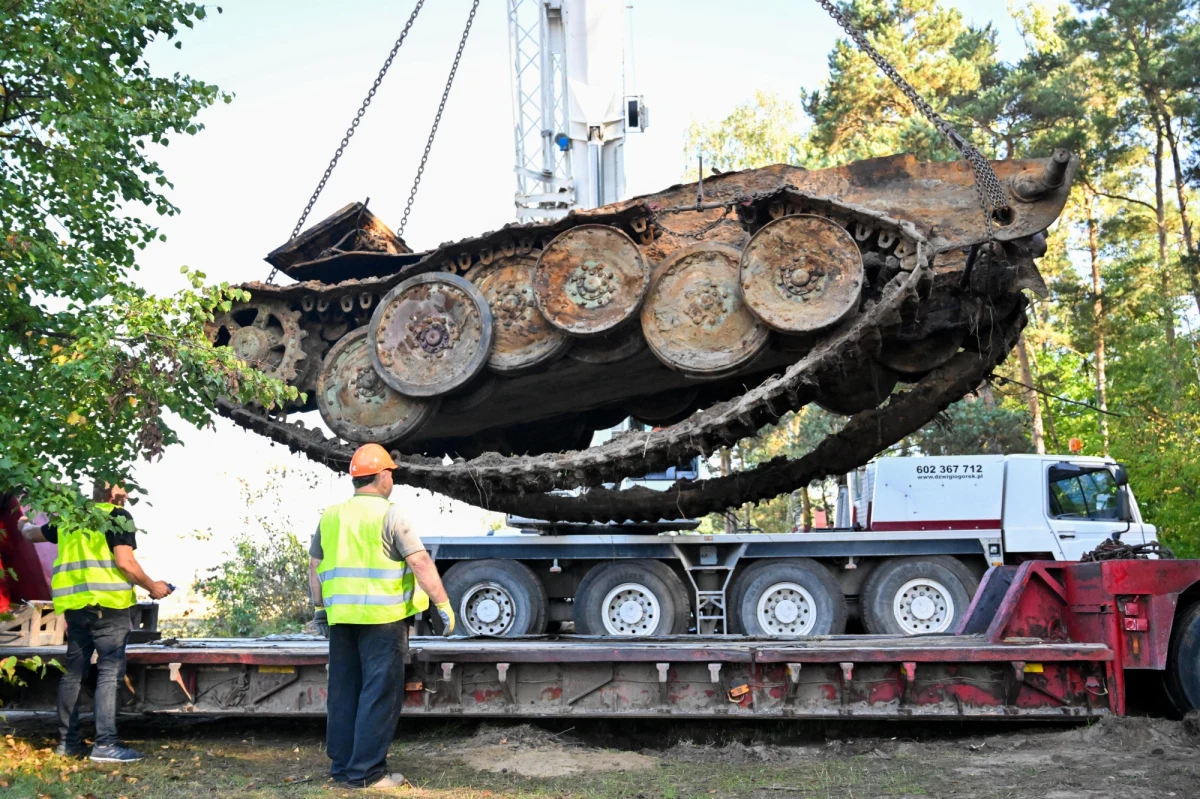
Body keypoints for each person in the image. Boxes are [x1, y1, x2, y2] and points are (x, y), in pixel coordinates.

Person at [309, 443, 456, 790]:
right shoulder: (392, 514)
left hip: (341, 619)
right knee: (378, 693)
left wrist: (319, 609)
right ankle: (368, 775)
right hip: (383, 619)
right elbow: (419, 561)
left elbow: (315, 565)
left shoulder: (330, 515)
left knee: (344, 691)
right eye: (392, 473)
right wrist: (444, 606)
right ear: (384, 475)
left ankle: (343, 768)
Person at [19, 483, 172, 763]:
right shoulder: (116, 516)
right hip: (108, 607)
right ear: (113, 493)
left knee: (73, 673)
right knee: (108, 673)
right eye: (123, 489)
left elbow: (30, 534)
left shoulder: (69, 520)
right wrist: (153, 586)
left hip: (75, 609)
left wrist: (22, 519)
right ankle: (105, 745)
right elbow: (125, 562)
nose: (126, 495)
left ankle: (68, 743)